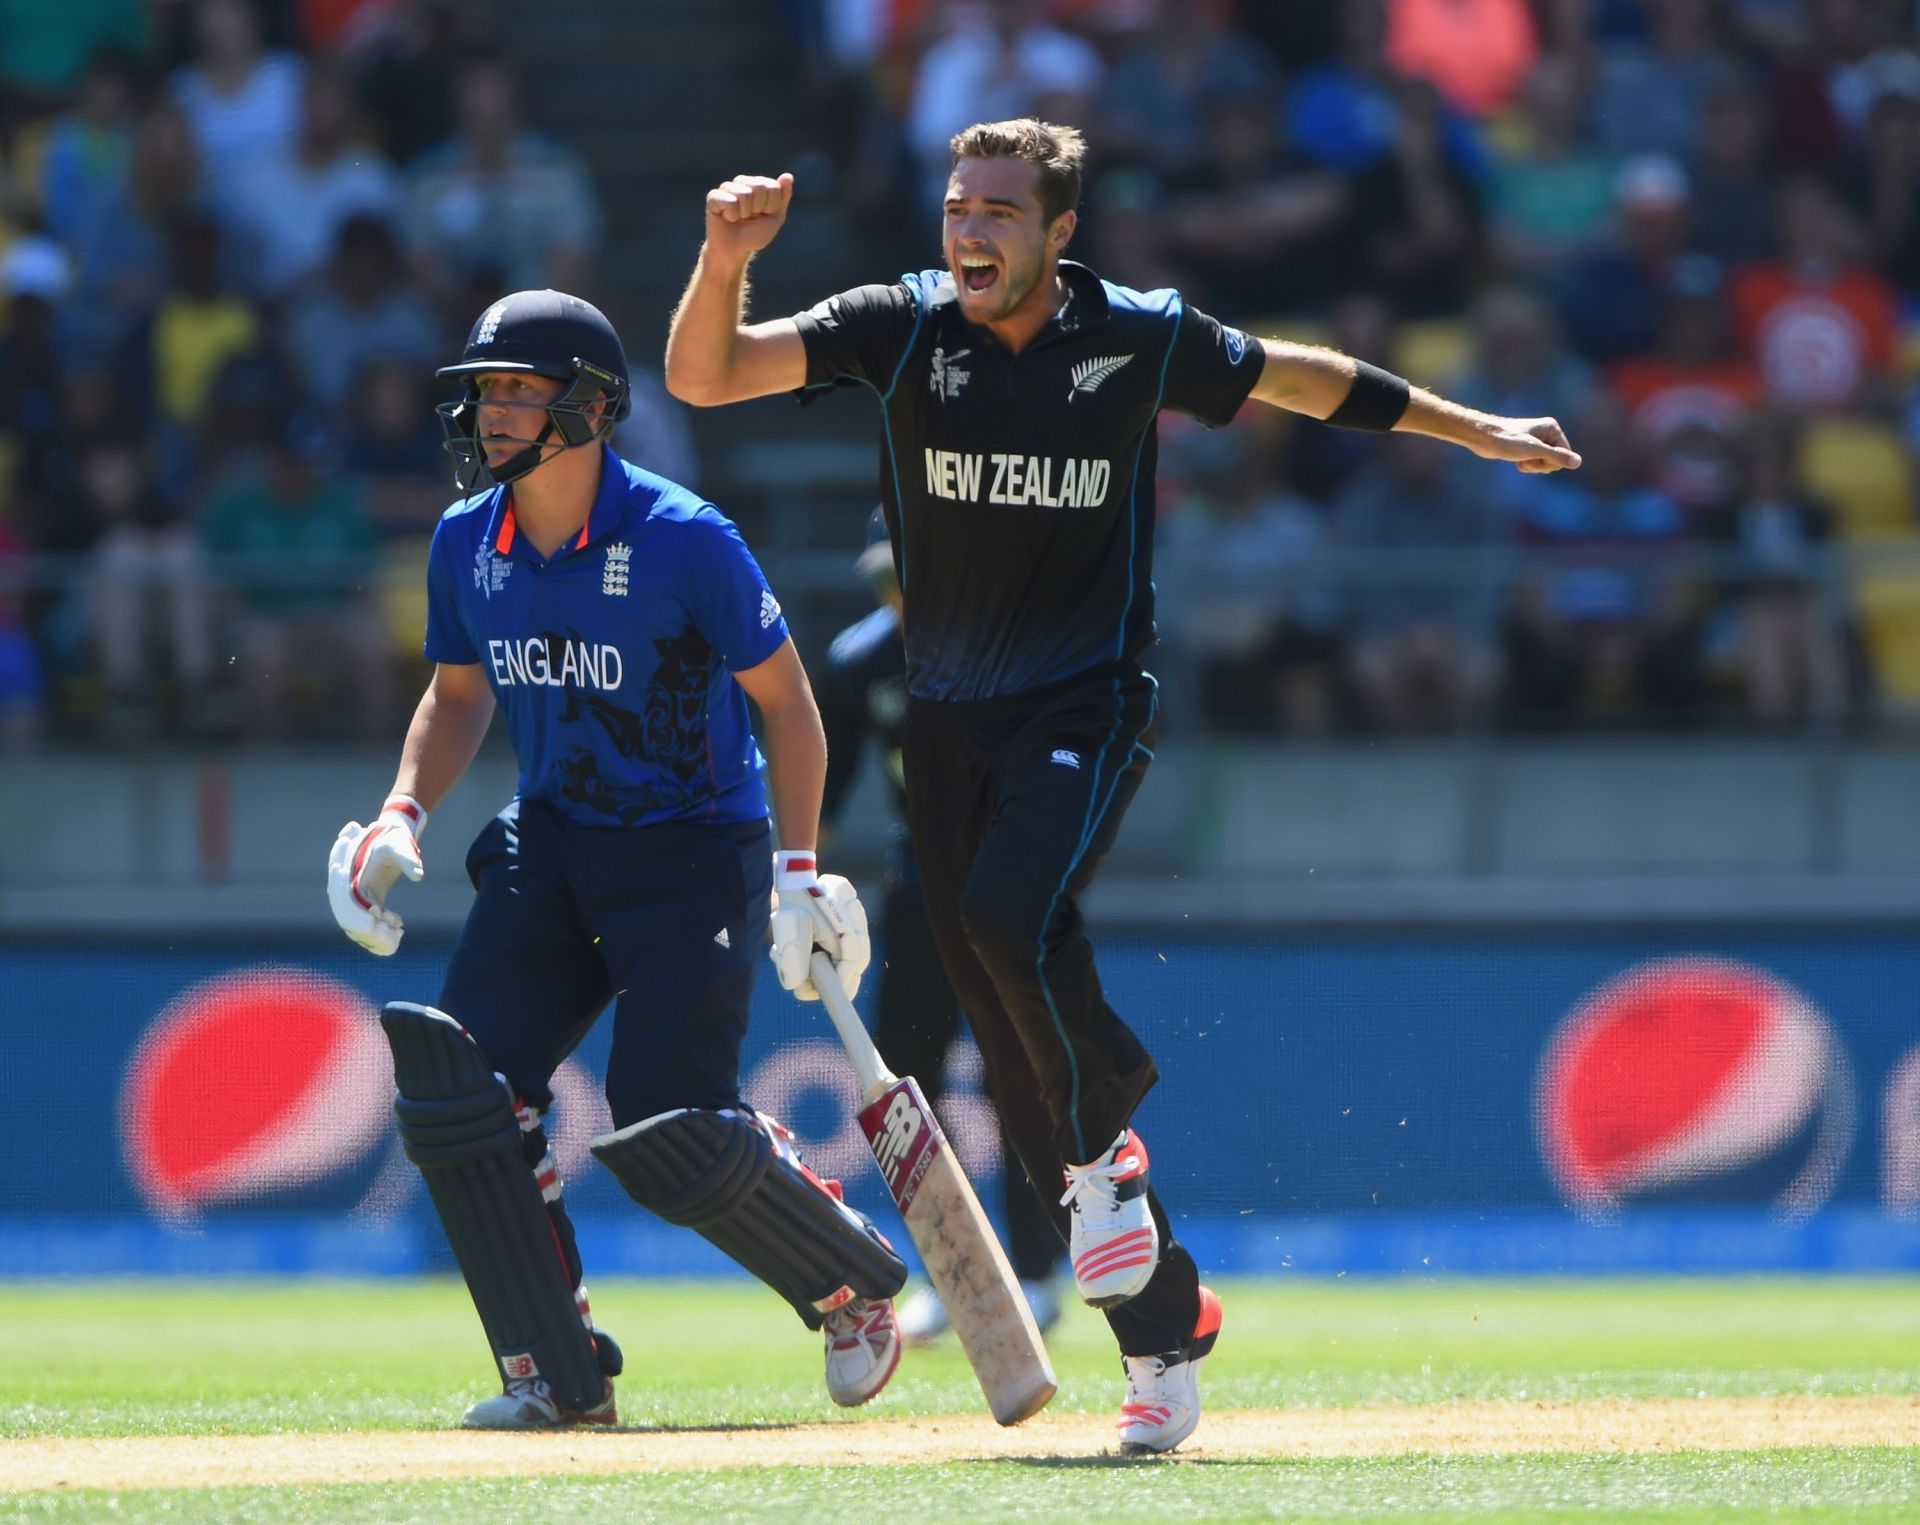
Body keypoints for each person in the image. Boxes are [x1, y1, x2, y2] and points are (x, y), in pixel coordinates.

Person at [663, 118, 1580, 1454]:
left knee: (1000, 920)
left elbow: (1305, 380)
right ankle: (1167, 1334)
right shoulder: (903, 325)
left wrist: (1478, 428)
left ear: (1060, 232)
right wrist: (722, 255)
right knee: (1023, 1060)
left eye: (998, 210)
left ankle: (1108, 1173)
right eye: (957, 205)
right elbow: (705, 375)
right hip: (950, 722)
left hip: (1085, 703)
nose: (967, 229)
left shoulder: (1136, 335)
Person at [325, 289, 903, 1429]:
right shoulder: (464, 540)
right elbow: (454, 695)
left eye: (517, 391)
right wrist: (401, 811)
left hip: (696, 848)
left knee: (668, 1121)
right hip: (553, 840)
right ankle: (556, 1367)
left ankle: (850, 1286)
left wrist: (796, 872)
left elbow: (791, 710)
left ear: (587, 408)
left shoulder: (688, 536)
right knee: (460, 1088)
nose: (491, 413)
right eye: (484, 390)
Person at [817, 509, 1065, 1344]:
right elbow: (826, 789)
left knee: (1017, 1073)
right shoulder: (861, 662)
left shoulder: (1003, 649)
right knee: (905, 1089)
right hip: (920, 887)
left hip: (1005, 884)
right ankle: (958, 1274)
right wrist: (801, 891)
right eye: (887, 581)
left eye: (910, 579)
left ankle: (1037, 1273)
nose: (898, 599)